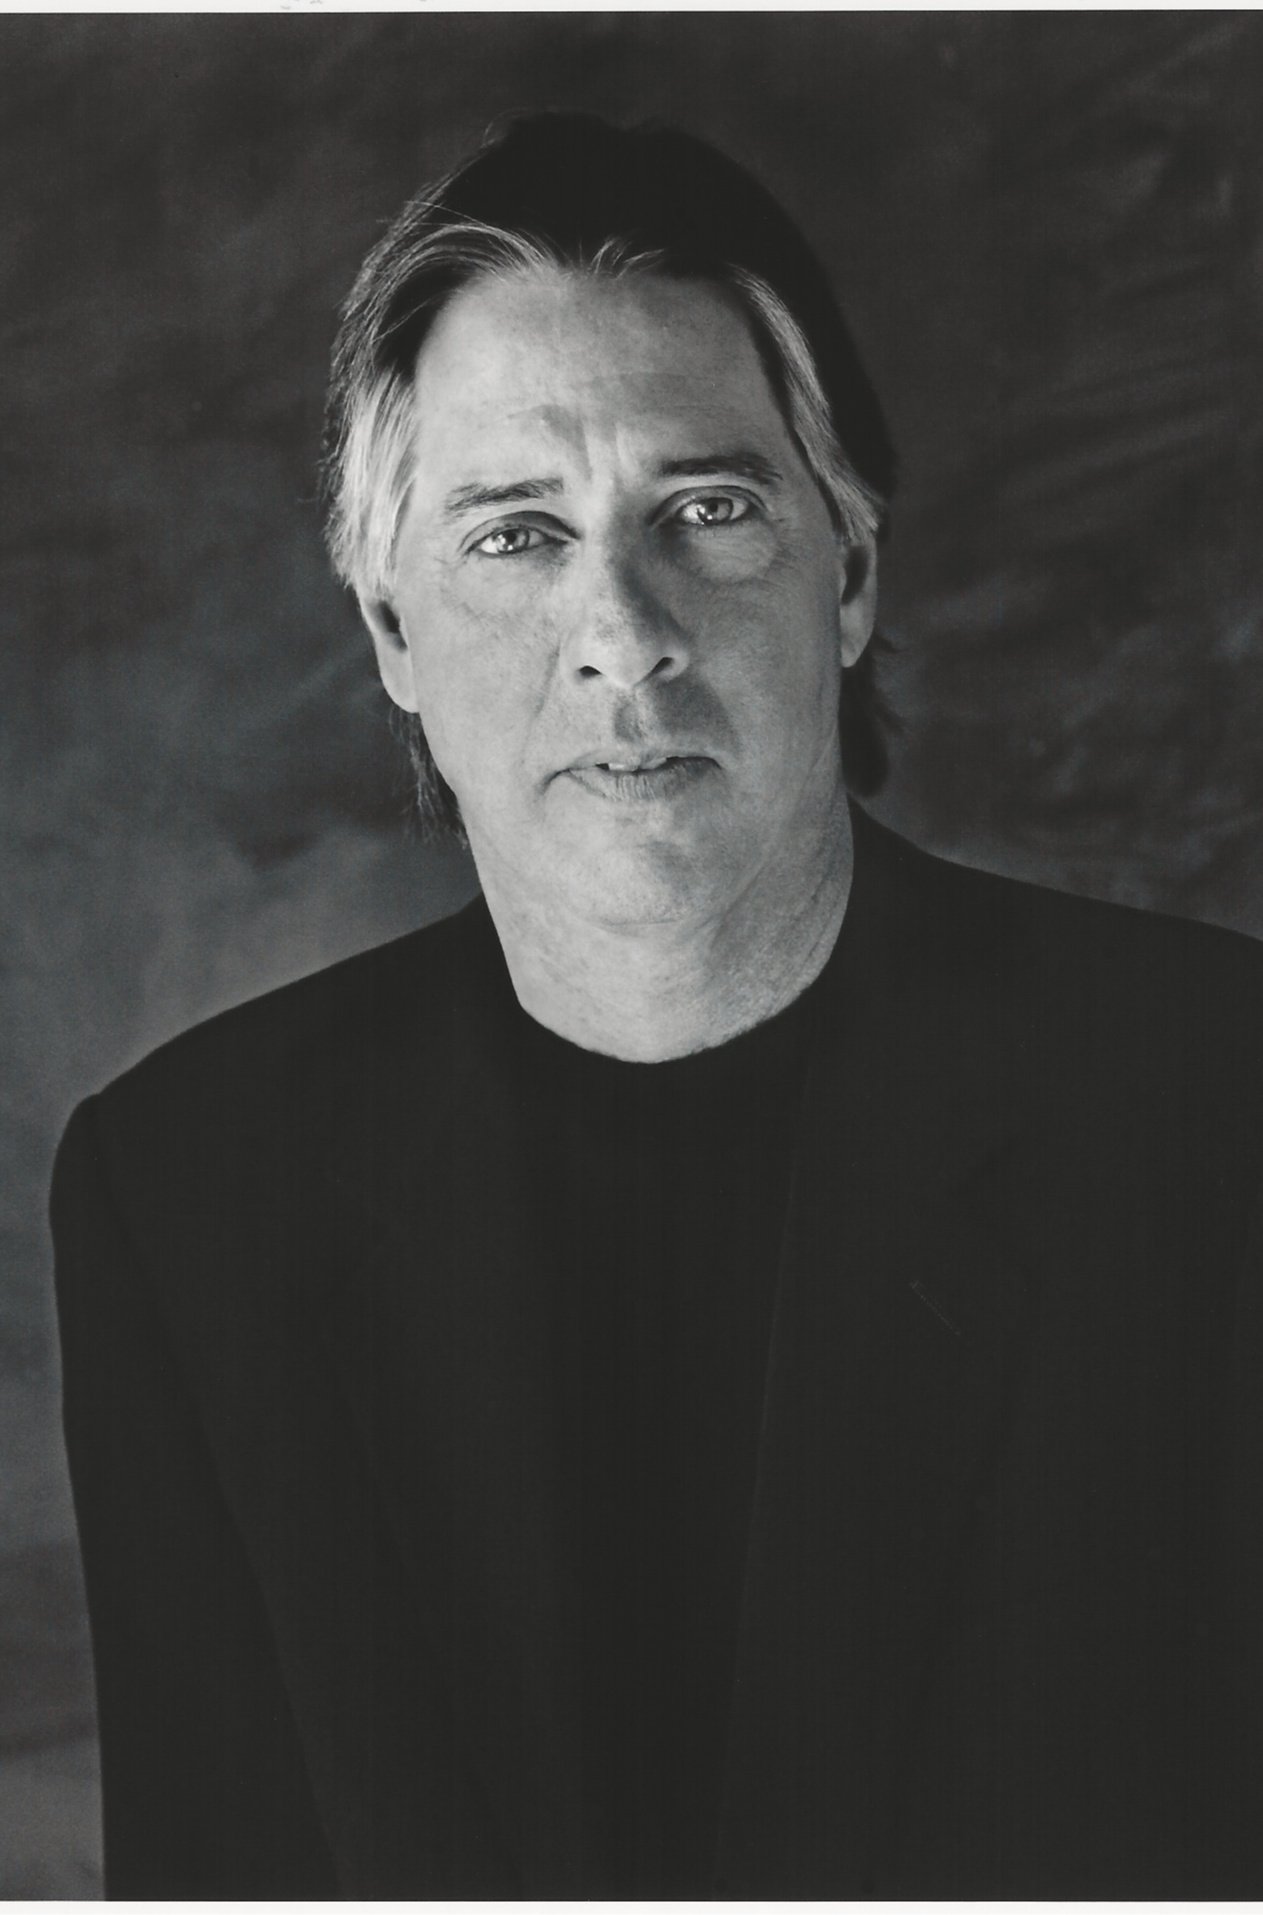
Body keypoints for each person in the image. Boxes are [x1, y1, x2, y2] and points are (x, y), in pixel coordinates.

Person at [51, 112, 1263, 1899]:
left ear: (850, 574)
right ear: (392, 636)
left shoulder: (1216, 1112)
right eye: (515, 535)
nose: (621, 630)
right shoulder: (185, 1197)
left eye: (705, 511)